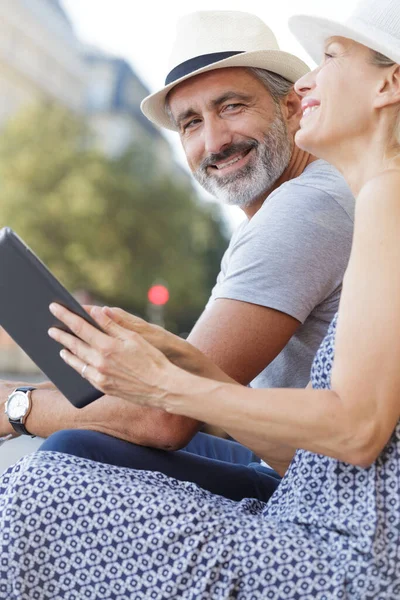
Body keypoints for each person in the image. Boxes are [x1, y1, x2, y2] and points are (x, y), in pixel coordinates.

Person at [1, 0, 399, 597]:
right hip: (329, 505)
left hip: (349, 550)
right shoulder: (367, 197)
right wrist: (175, 361)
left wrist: (22, 407)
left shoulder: (338, 203)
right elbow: (334, 449)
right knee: (64, 465)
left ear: (292, 107)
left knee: (51, 483)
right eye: (190, 122)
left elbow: (356, 431)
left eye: (232, 106)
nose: (311, 78)